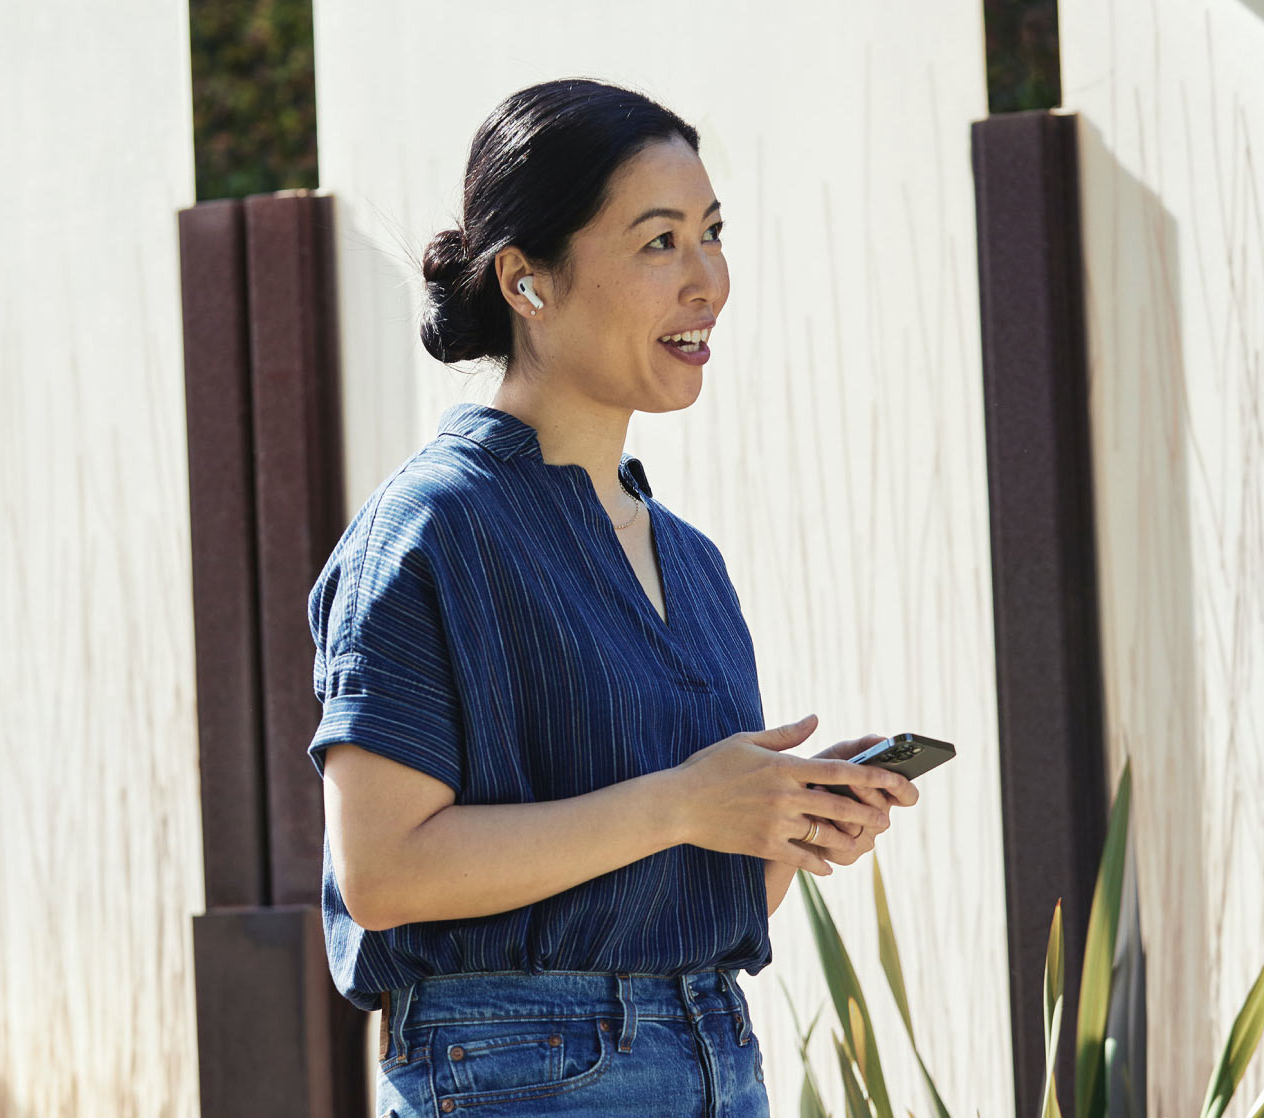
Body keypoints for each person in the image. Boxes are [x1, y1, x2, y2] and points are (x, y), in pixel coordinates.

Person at [306, 76, 919, 1118]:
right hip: (520, 1075)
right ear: (526, 281)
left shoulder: (691, 562)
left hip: (716, 1051)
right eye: (658, 241)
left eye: (711, 234)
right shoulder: (432, 529)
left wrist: (779, 819)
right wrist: (682, 799)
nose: (707, 280)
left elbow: (676, 889)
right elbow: (383, 869)